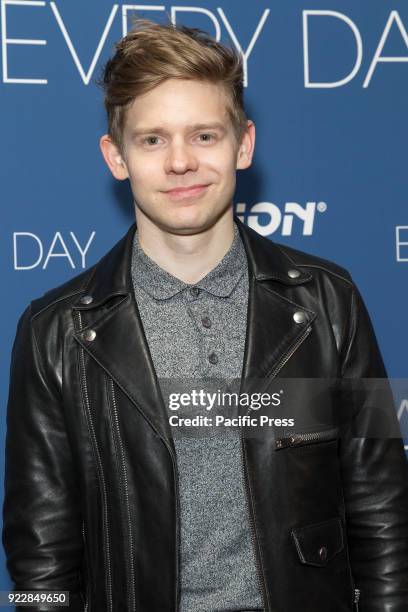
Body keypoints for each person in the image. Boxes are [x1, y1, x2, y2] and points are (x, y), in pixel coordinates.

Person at [3, 18, 408, 612]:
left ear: (243, 143)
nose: (180, 163)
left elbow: (381, 505)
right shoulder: (55, 332)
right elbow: (42, 554)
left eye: (204, 136)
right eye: (152, 140)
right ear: (116, 157)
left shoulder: (330, 302)